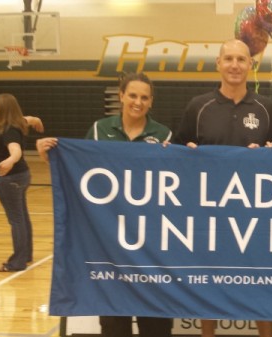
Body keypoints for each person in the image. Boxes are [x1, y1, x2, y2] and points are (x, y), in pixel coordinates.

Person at [36, 72, 173, 337]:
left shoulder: (164, 134)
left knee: (155, 323)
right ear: (121, 96)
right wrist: (49, 156)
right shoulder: (99, 130)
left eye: (144, 97)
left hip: (152, 245)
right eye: (132, 95)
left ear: (151, 102)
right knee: (113, 323)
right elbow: (78, 170)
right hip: (109, 245)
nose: (138, 102)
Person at [173, 39, 272, 337]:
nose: (235, 65)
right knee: (209, 281)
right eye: (229, 59)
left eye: (241, 59)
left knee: (260, 281)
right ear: (218, 63)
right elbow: (178, 154)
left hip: (254, 214)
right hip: (209, 213)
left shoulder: (266, 108)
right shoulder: (198, 106)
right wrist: (187, 151)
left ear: (251, 65)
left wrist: (269, 154)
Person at [0, 94, 40, 272]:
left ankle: (17, 262)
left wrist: (10, 161)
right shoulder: (16, 123)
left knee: (16, 220)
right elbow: (31, 119)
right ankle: (26, 255)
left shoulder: (10, 129)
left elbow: (15, 151)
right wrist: (37, 122)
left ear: (3, 108)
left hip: (10, 178)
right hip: (21, 176)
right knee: (22, 217)